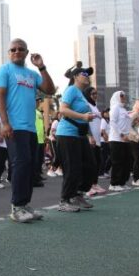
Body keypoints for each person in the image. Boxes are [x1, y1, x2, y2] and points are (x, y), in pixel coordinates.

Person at [0, 39, 55, 222]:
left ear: (27, 53)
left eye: (20, 49)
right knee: (20, 165)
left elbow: (49, 90)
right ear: (8, 52)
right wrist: (5, 123)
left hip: (30, 129)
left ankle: (25, 205)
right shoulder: (4, 71)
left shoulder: (31, 74)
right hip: (14, 127)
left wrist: (42, 67)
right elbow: (0, 97)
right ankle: (17, 207)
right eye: (13, 49)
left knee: (29, 166)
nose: (16, 52)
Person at [54, 67, 95, 212]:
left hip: (80, 135)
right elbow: (63, 110)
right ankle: (65, 200)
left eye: (88, 74)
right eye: (84, 74)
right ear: (76, 77)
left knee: (90, 166)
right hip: (67, 134)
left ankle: (77, 194)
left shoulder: (81, 94)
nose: (87, 76)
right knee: (72, 168)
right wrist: (84, 117)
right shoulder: (71, 90)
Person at [108, 91, 132, 191]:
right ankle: (114, 184)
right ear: (117, 97)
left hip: (125, 140)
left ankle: (122, 182)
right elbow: (112, 121)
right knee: (117, 162)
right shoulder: (115, 108)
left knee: (126, 162)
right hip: (116, 139)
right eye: (121, 96)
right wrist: (121, 134)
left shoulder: (123, 109)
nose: (123, 97)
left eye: (124, 96)